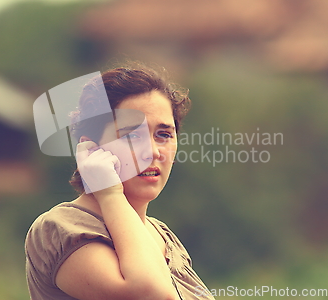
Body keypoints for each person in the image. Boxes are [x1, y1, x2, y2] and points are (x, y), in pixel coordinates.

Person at [25, 65, 215, 300]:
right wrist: (110, 194)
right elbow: (151, 294)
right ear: (91, 148)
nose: (153, 152)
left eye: (164, 135)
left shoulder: (163, 236)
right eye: (132, 136)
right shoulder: (62, 228)